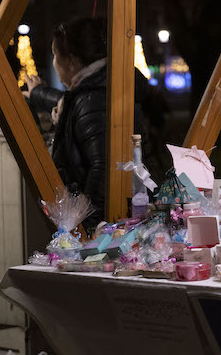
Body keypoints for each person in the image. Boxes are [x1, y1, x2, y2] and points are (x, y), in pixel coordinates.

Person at [25, 17, 152, 230]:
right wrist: (38, 93)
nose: (54, 63)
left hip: (106, 228)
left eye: (55, 55)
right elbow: (71, 104)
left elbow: (103, 169)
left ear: (72, 61)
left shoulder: (93, 99)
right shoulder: (106, 86)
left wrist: (91, 230)